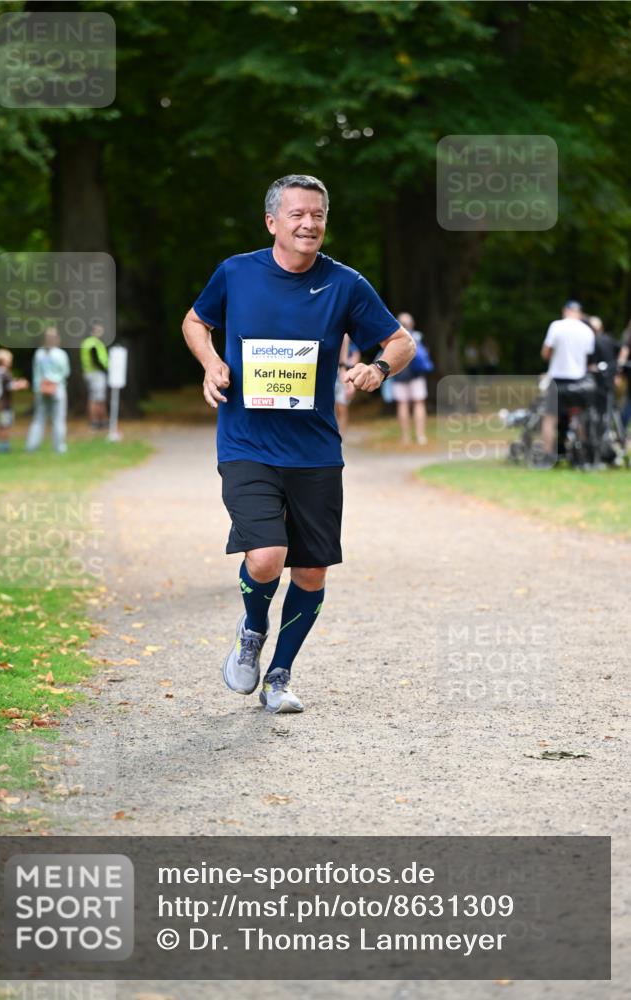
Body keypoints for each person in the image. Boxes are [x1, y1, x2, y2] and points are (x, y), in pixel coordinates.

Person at [182, 174, 414, 714]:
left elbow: (399, 341)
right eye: (297, 215)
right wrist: (212, 362)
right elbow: (196, 321)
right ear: (272, 223)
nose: (309, 224)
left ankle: (280, 676)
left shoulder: (345, 283)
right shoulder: (236, 273)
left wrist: (376, 369)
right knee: (266, 557)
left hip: (314, 449)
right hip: (247, 442)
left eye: (318, 215)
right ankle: (251, 630)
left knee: (309, 571)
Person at [540, 300, 595, 459]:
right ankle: (582, 454)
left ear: (565, 311)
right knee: (579, 416)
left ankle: (548, 454)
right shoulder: (587, 330)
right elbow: (588, 358)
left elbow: (546, 353)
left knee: (550, 418)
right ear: (580, 313)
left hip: (557, 378)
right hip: (579, 380)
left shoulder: (556, 326)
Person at [26, 327, 71, 454]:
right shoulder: (60, 354)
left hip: (41, 389)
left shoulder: (39, 353)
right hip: (58, 389)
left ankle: (32, 446)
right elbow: (65, 372)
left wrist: (38, 388)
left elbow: (36, 374)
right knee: (58, 419)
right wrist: (53, 381)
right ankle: (59, 447)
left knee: (39, 418)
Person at [391, 312, 431, 446]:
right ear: (412, 324)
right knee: (419, 403)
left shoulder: (393, 338)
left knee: (402, 404)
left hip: (399, 376)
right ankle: (421, 436)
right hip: (417, 376)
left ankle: (405, 437)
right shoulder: (418, 337)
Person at [0, 349, 29, 453]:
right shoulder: (5, 372)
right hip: (4, 405)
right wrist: (21, 384)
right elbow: (10, 386)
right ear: (4, 360)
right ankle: (4, 446)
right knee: (5, 426)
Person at [80, 323, 109, 429]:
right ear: (93, 331)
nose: (101, 332)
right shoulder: (94, 343)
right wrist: (106, 369)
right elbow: (96, 360)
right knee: (97, 398)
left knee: (94, 397)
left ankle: (98, 421)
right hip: (96, 373)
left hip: (89, 373)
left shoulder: (86, 342)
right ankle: (98, 421)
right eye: (99, 329)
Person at [334, 334, 361, 436]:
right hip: (333, 378)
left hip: (343, 378)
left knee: (342, 407)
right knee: (334, 408)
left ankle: (341, 434)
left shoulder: (351, 345)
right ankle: (335, 431)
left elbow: (355, 357)